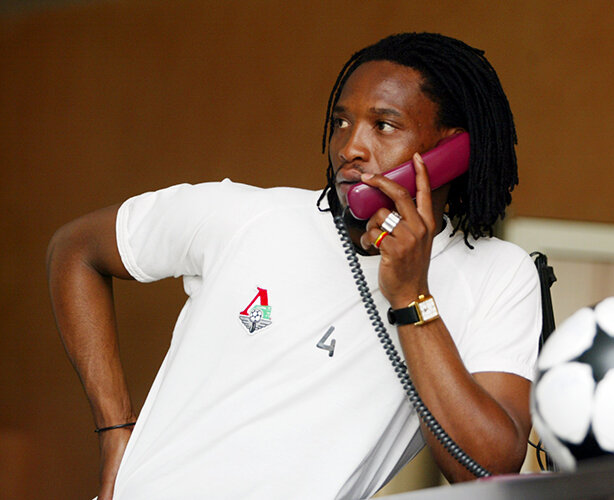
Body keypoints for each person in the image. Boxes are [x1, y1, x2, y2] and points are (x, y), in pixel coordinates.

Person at [47, 32, 542, 499]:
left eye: (384, 125)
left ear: (453, 150)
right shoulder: (248, 216)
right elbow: (75, 249)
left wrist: (413, 298)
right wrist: (115, 428)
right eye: (341, 122)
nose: (350, 148)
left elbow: (485, 470)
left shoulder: (497, 275)